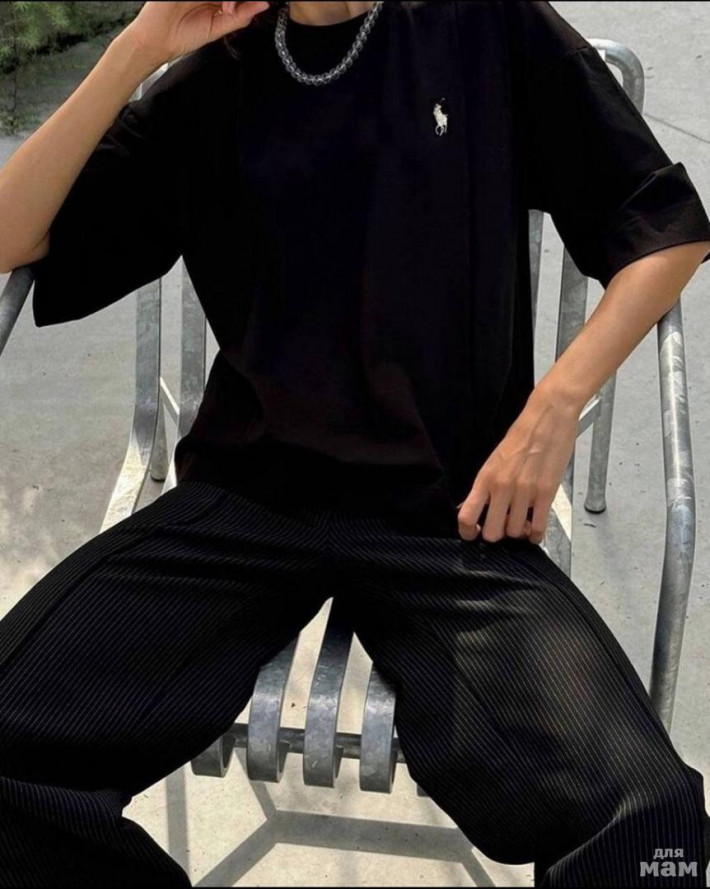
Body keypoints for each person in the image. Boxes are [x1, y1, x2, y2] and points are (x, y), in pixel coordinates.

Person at [0, 1, 709, 885]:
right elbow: (11, 233)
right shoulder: (215, 77)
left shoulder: (482, 30)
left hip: (450, 516)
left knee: (653, 829)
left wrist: (555, 405)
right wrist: (137, 47)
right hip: (247, 503)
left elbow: (663, 225)